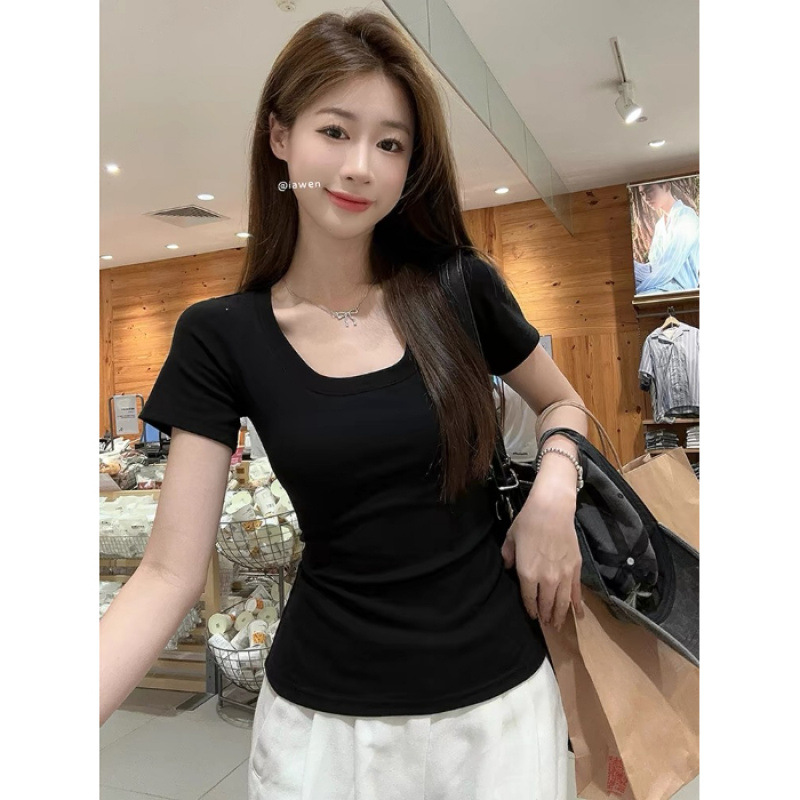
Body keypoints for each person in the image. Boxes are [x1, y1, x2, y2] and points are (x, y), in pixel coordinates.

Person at [100, 11, 589, 799]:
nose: (361, 166)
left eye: (390, 144)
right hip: (323, 733)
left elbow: (565, 403)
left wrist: (554, 494)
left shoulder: (457, 288)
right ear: (280, 136)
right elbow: (165, 572)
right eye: (335, 131)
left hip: (500, 713)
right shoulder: (222, 335)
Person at [633, 181, 700, 295]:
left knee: (640, 294)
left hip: (680, 286)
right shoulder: (660, 225)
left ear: (667, 186)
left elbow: (670, 265)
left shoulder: (686, 216)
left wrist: (641, 288)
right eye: (642, 194)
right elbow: (655, 263)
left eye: (649, 190)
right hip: (662, 281)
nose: (646, 198)